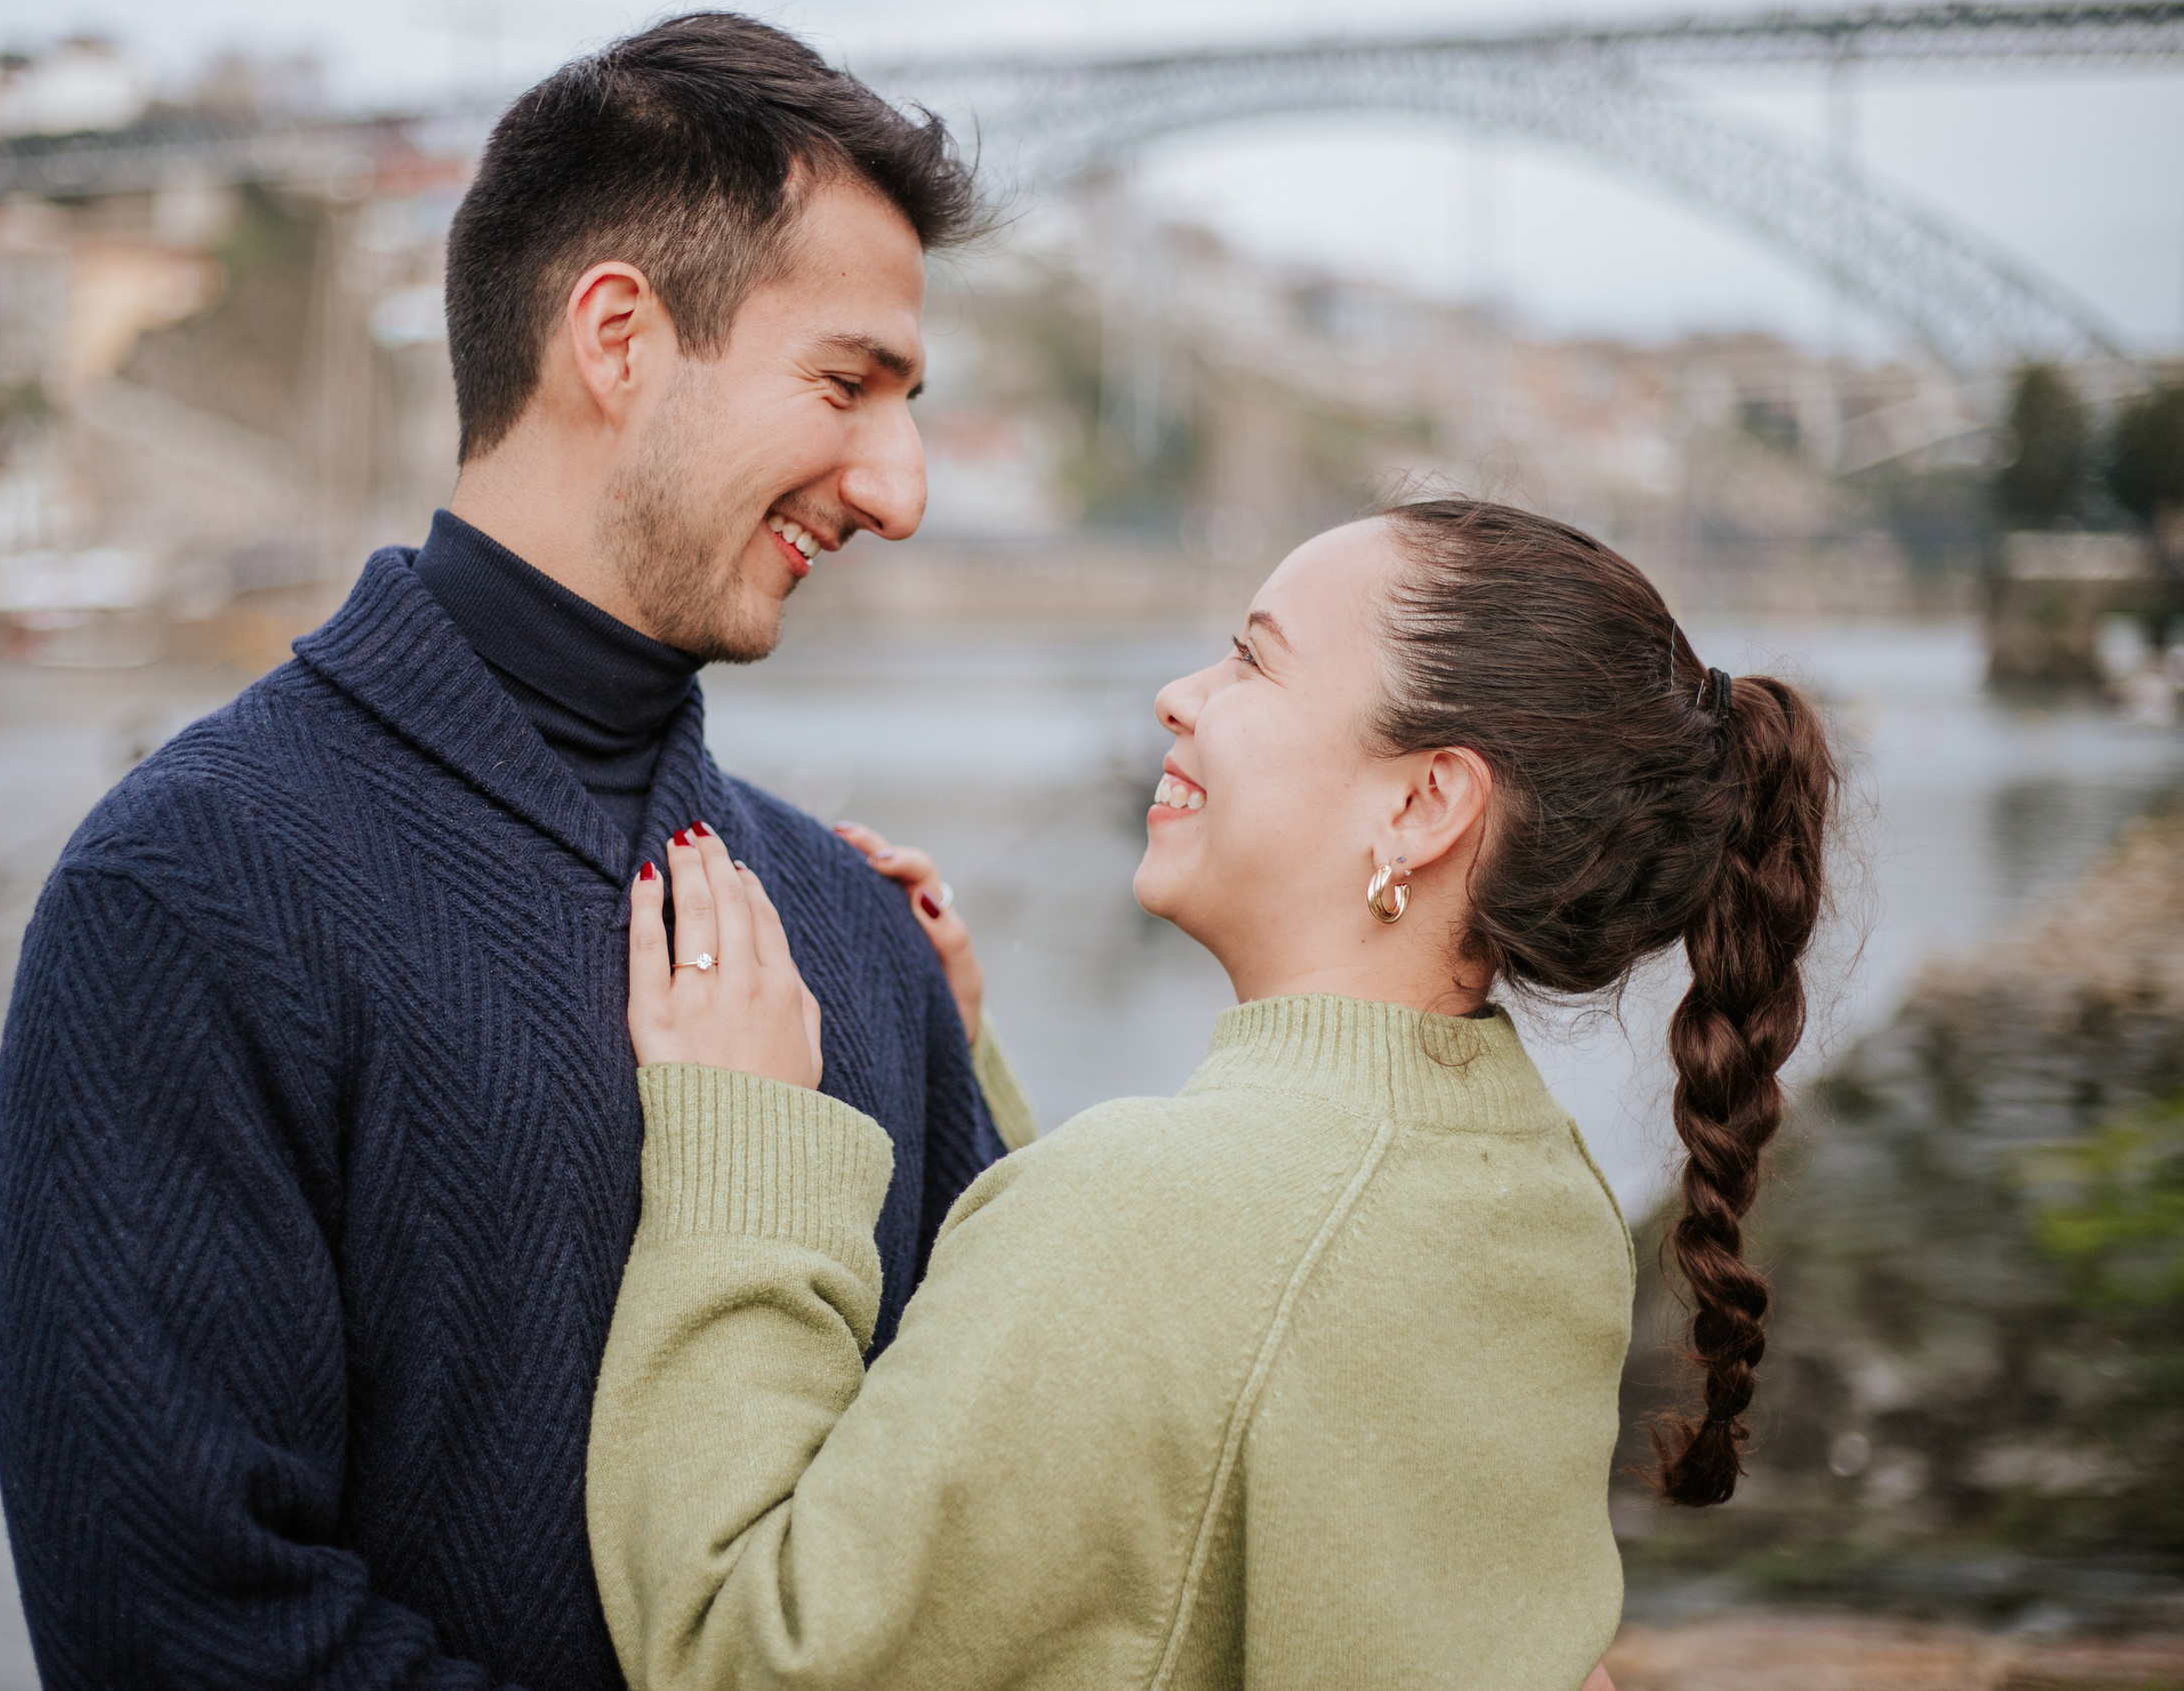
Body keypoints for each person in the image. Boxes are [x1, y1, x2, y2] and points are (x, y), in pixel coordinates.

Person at [0, 14, 1000, 1691]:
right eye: (845, 385)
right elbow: (182, 1634)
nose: (899, 489)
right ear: (618, 338)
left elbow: (970, 1538)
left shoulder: (853, 928)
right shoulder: (186, 892)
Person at [587, 500, 1838, 1688]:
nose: (1178, 697)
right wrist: (967, 1072)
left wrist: (750, 1149)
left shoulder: (1159, 1217)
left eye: (1250, 662)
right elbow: (1227, 1412)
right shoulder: (1533, 1184)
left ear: (1422, 803)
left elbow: (741, 1651)